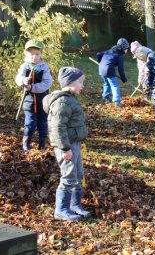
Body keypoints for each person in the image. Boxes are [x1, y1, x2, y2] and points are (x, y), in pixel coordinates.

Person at [43, 67, 90, 221]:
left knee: (78, 174)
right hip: (66, 146)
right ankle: (61, 209)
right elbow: (57, 127)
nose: (82, 86)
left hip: (74, 144)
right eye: (80, 82)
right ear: (69, 82)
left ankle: (74, 205)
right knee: (69, 176)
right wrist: (64, 148)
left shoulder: (70, 98)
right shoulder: (62, 102)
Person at [15, 40, 53, 151]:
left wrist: (32, 87)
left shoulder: (44, 67)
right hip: (29, 102)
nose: (34, 57)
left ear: (41, 54)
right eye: (31, 54)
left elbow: (47, 83)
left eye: (37, 54)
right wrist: (23, 80)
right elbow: (18, 78)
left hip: (43, 102)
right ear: (26, 54)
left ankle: (42, 146)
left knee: (42, 124)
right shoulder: (25, 66)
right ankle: (26, 145)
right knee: (30, 124)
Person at [96, 38, 130, 107]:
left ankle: (105, 97)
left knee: (107, 83)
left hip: (101, 69)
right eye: (126, 48)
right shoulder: (120, 56)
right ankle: (117, 101)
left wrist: (101, 62)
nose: (127, 50)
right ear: (122, 48)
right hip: (109, 70)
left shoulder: (110, 50)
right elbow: (121, 69)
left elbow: (98, 54)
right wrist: (124, 79)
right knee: (115, 86)